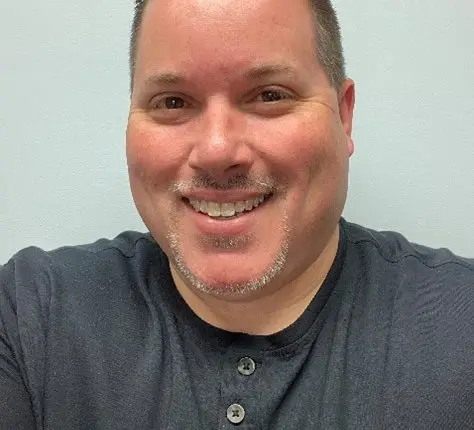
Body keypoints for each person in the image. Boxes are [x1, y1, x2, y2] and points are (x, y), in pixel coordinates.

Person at [1, 0, 473, 428]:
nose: (217, 149)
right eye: (172, 102)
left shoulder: (460, 324)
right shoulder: (31, 317)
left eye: (270, 95)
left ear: (343, 116)